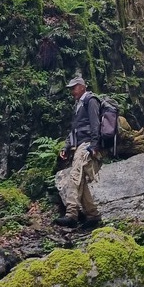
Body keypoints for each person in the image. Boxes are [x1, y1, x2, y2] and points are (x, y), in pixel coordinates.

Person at [54, 75, 103, 230]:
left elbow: (95, 124)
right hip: (80, 145)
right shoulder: (78, 105)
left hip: (87, 144)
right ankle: (93, 215)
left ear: (82, 86)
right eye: (70, 89)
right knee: (80, 180)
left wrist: (94, 145)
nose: (72, 91)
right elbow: (74, 130)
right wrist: (66, 147)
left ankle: (71, 215)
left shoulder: (91, 100)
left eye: (74, 88)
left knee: (75, 176)